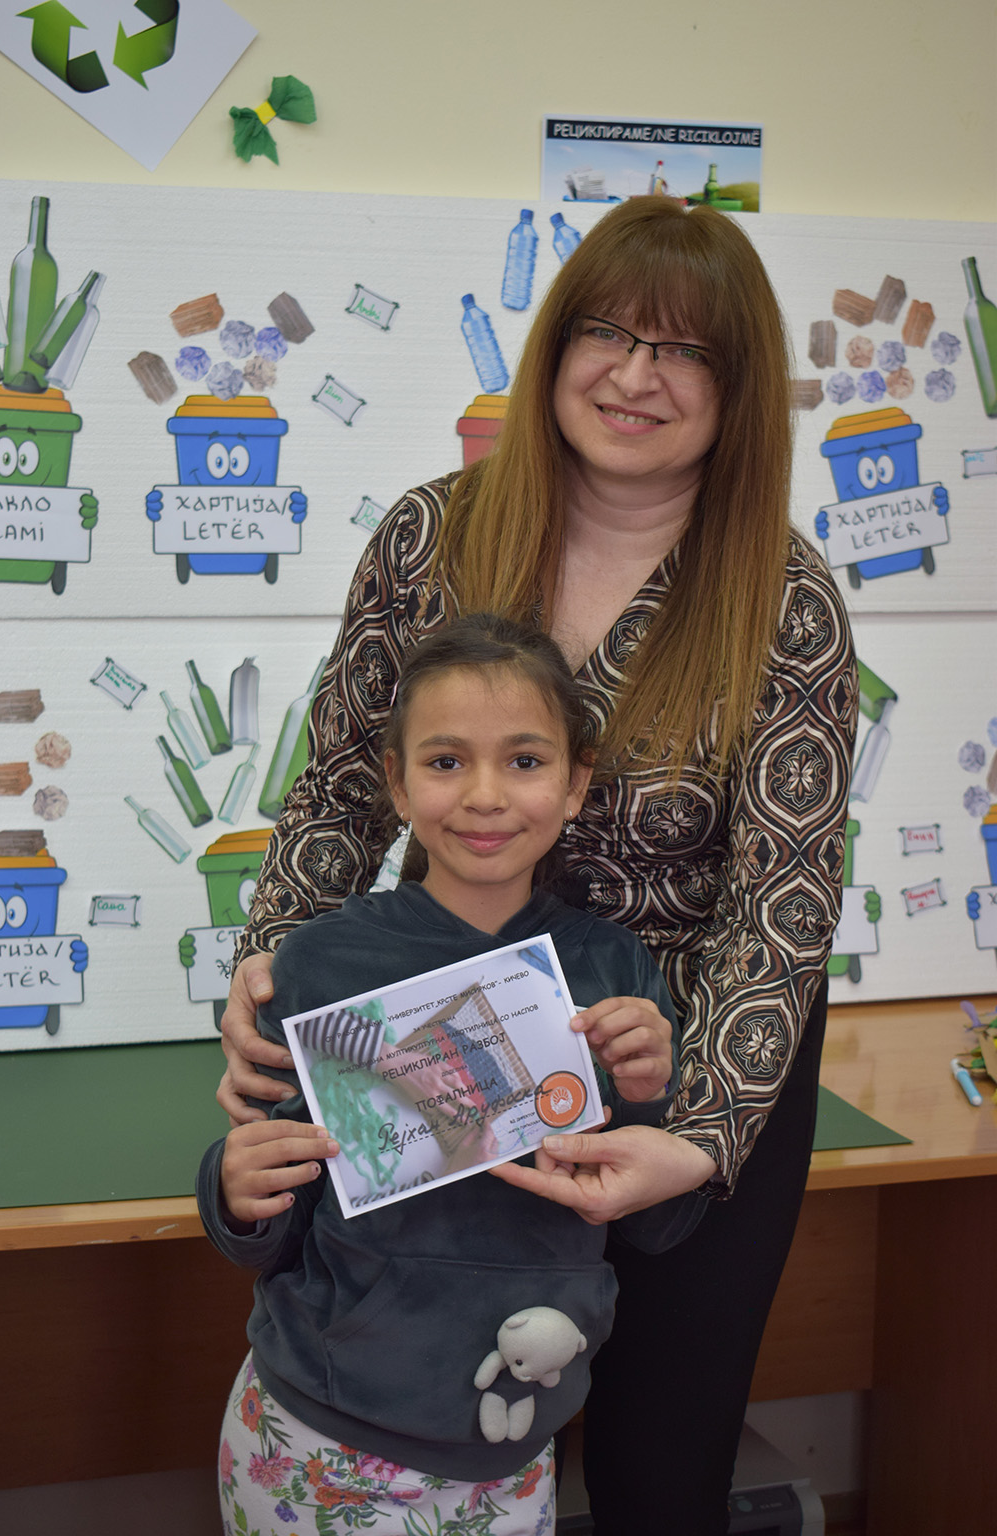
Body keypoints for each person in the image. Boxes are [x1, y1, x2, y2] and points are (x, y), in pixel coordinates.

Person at [216, 196, 858, 1534]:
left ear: (738, 391)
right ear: (557, 344)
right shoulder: (431, 535)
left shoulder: (784, 597)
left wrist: (691, 1140)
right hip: (446, 1034)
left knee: (659, 1469)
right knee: (437, 1414)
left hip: (680, 1063)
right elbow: (339, 790)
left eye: (684, 352)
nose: (635, 376)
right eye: (609, 333)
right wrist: (270, 983)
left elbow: (784, 903)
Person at [198, 613, 701, 1536]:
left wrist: (646, 1099)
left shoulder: (612, 968)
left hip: (515, 1436)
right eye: (444, 761)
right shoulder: (319, 964)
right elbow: (267, 1227)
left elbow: (656, 1225)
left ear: (576, 783)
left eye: (525, 760)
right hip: (315, 1432)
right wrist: (232, 1192)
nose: (484, 796)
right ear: (396, 783)